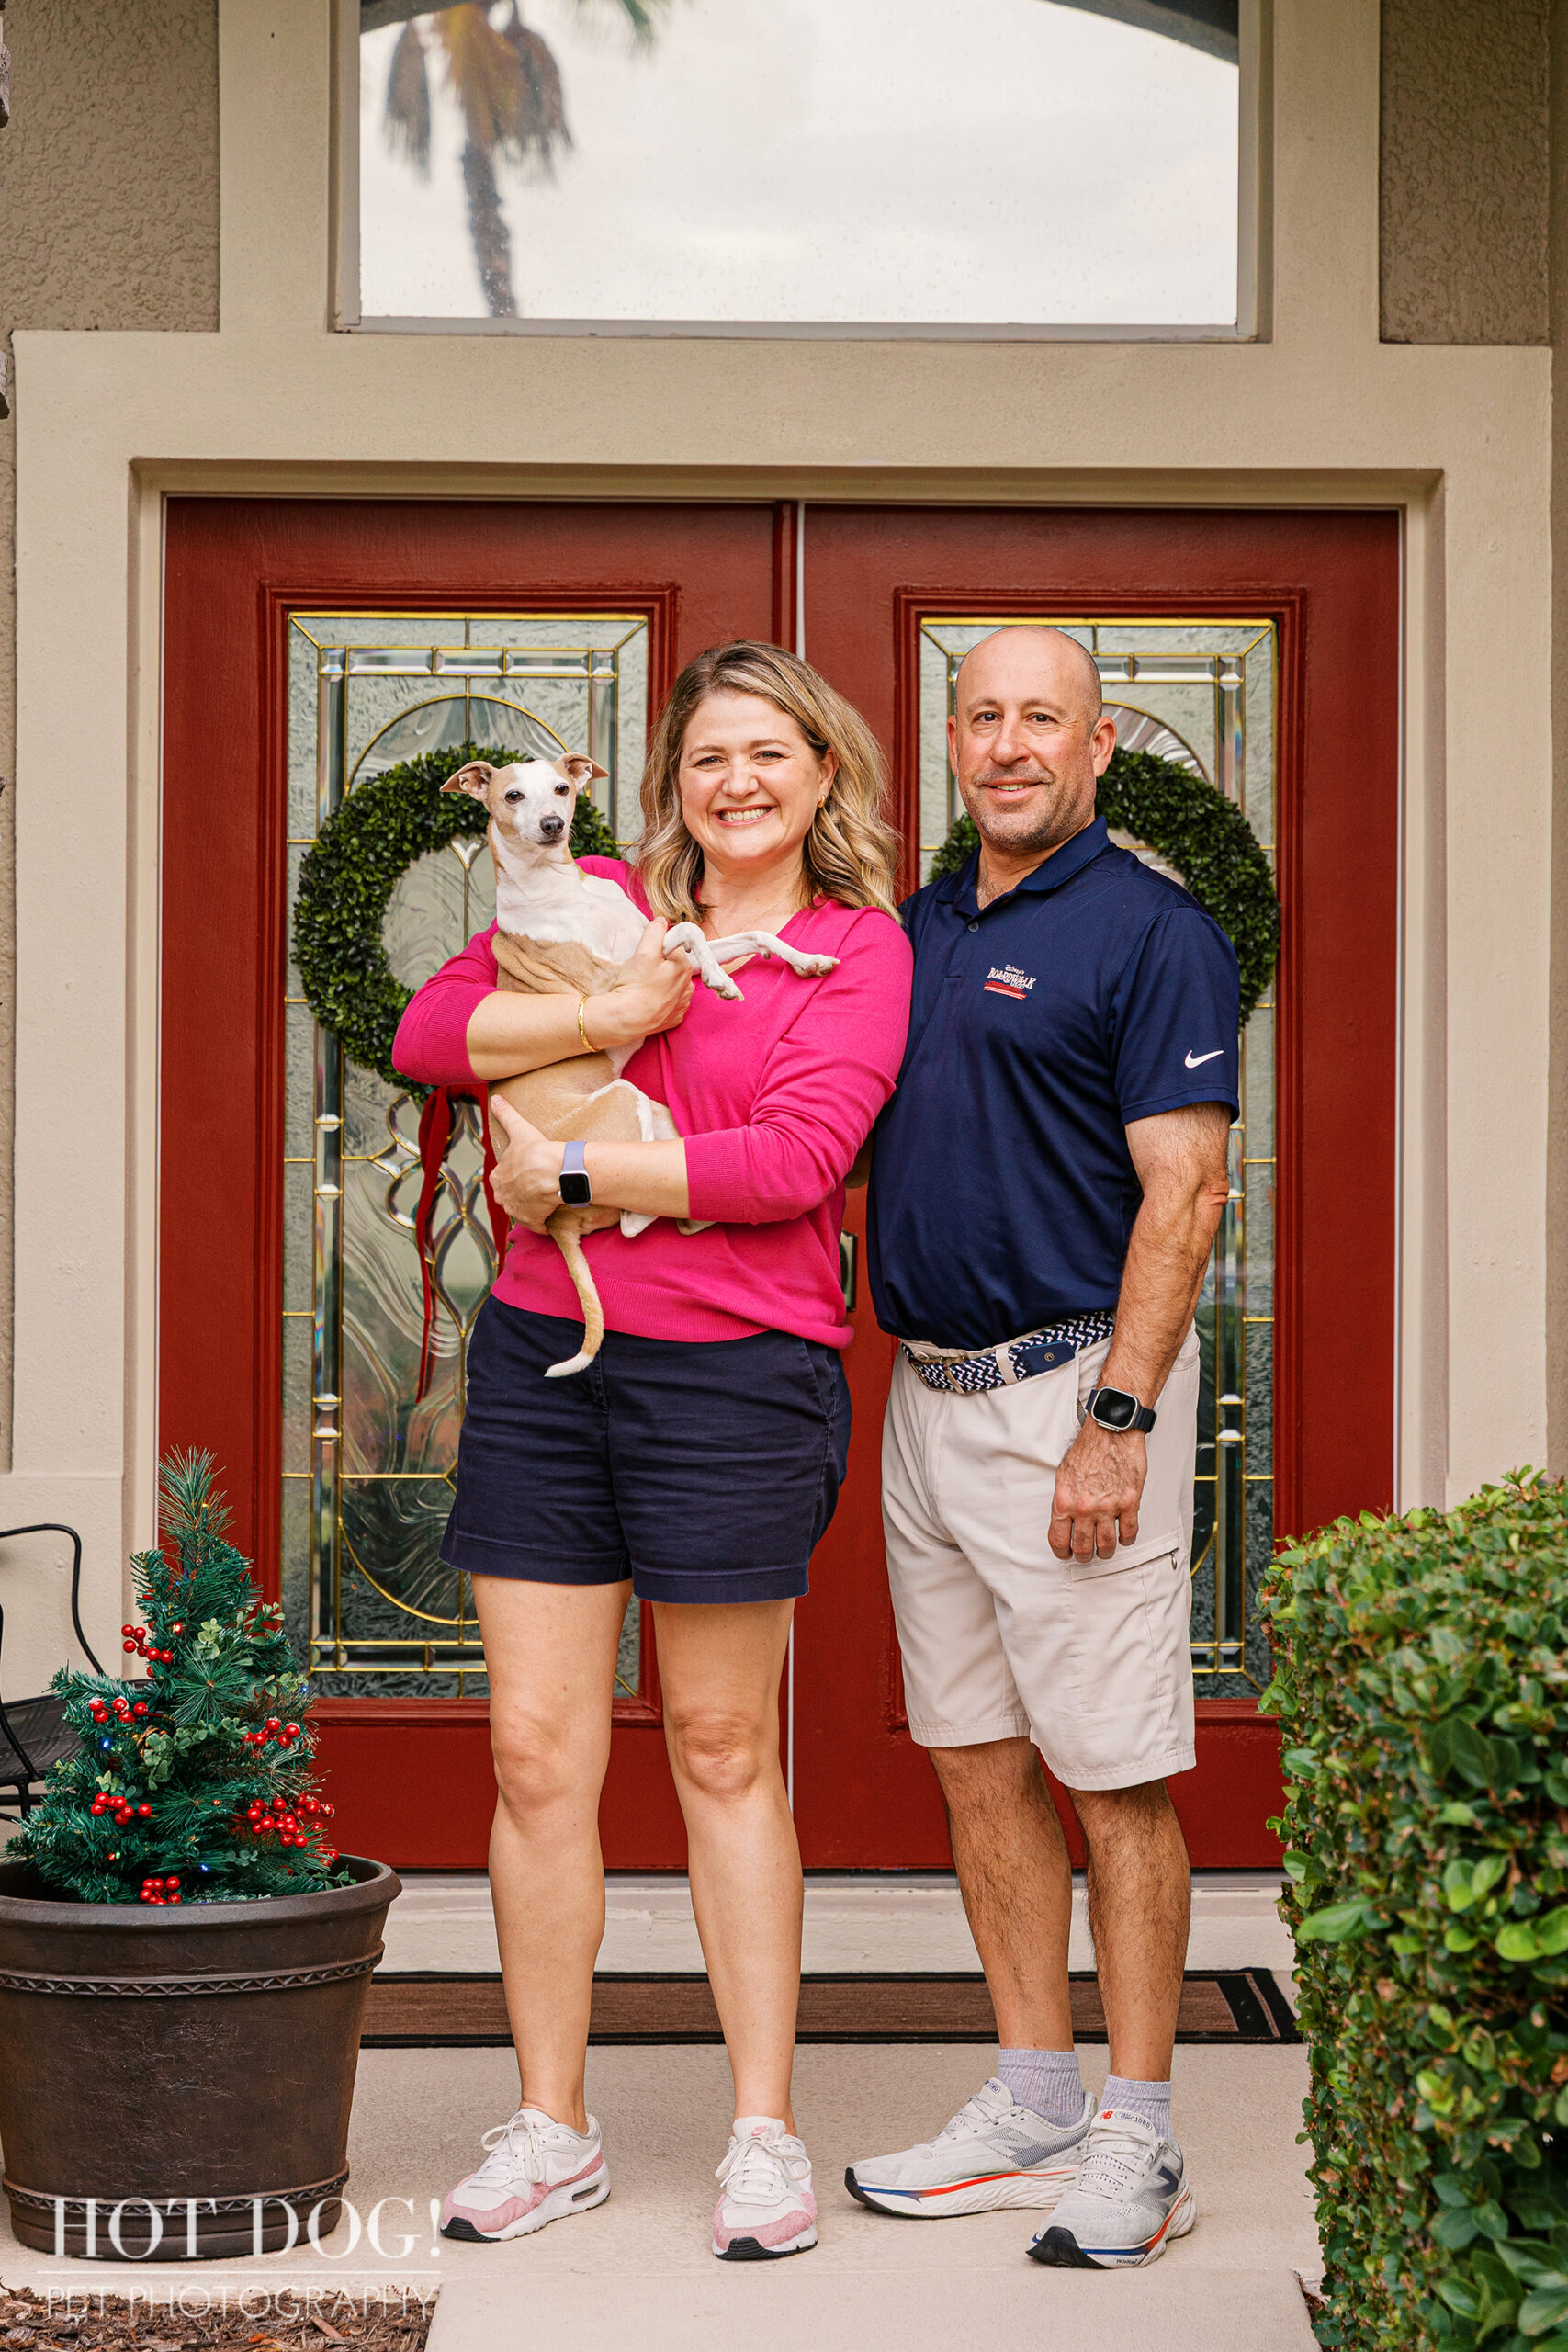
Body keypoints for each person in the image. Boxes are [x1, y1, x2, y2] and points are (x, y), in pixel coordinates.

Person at [392, 642, 910, 2262]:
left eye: (771, 753)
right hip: (551, 1360)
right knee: (538, 1755)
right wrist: (616, 1012)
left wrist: (578, 1187)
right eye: (707, 758)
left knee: (719, 1750)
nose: (737, 782)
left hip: (737, 1378)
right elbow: (427, 1034)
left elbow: (802, 1160)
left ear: (826, 776)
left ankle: (764, 2130)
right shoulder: (594, 899)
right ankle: (553, 2124)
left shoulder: (857, 951)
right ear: (664, 783)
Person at [848, 625, 1238, 2271]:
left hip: (1074, 1396)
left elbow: (1188, 1193)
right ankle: (1028, 2099)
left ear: (1098, 748)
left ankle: (1138, 2140)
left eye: (1044, 720)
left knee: (1116, 1774)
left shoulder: (1155, 932)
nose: (1010, 745)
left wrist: (1119, 1427)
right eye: (984, 716)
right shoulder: (916, 928)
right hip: (928, 1403)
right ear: (950, 739)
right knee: (977, 1760)